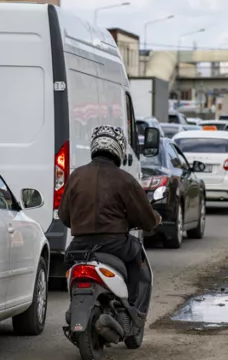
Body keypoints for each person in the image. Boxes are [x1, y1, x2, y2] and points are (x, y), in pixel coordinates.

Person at [58, 125, 161, 317]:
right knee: (136, 252)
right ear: (119, 150)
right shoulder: (125, 180)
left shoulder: (76, 176)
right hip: (115, 245)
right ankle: (131, 307)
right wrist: (155, 219)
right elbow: (146, 219)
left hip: (78, 246)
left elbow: (64, 216)